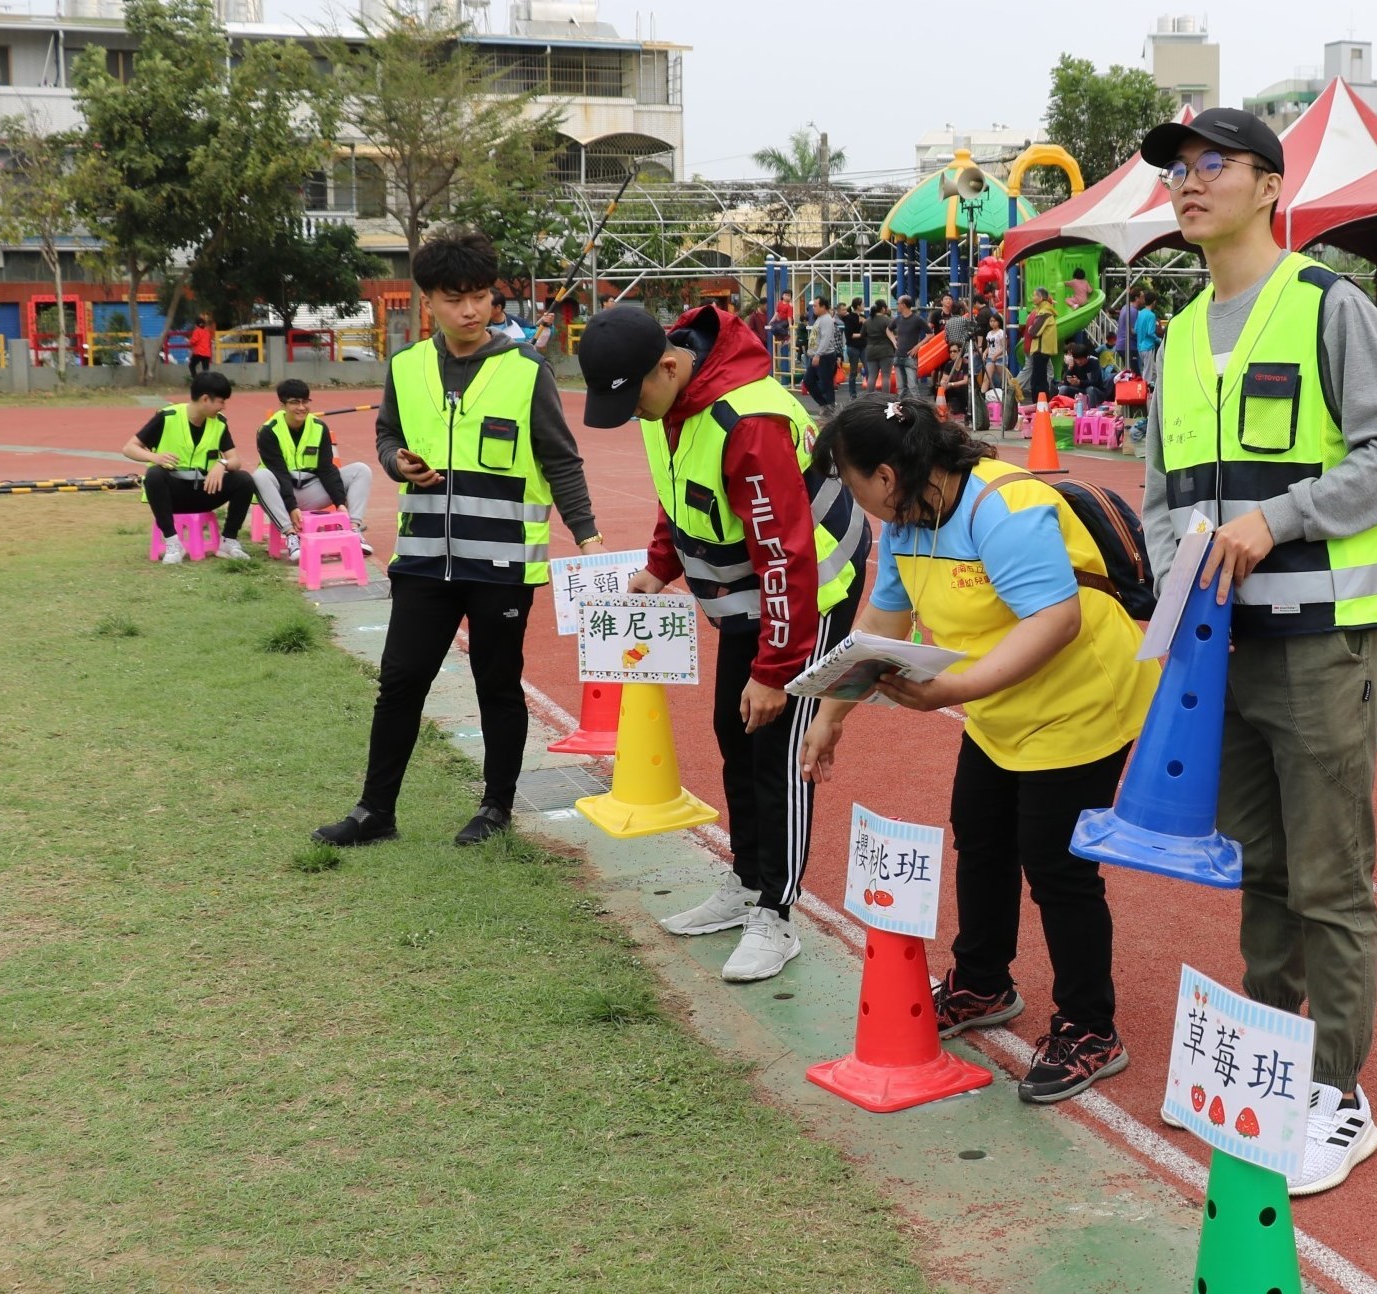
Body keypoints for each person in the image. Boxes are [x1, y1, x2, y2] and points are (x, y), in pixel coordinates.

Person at [1138, 107, 1377, 1195]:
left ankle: (1340, 1094)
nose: (1187, 182)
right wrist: (1176, 587)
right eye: (1177, 169)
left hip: (1323, 639)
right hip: (1222, 652)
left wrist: (1284, 515)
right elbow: (1164, 491)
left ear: (1271, 184)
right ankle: (1274, 1060)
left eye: (1212, 164)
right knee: (1259, 865)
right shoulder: (1175, 335)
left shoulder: (1328, 305)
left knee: (1327, 873)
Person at [799, 396, 1157, 1103]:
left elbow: (1055, 621)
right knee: (982, 835)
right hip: (1000, 705)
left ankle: (1091, 1027)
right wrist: (832, 711)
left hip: (1081, 699)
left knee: (1057, 864)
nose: (855, 498)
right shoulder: (910, 523)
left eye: (852, 479)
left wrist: (949, 691)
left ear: (888, 473)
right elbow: (883, 618)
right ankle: (983, 981)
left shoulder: (1003, 508)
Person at [576, 304, 870, 983]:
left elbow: (787, 554)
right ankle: (745, 881)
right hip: (751, 596)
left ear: (670, 366)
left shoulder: (749, 422)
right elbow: (678, 496)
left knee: (778, 752)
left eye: (635, 400)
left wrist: (774, 670)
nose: (636, 417)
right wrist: (659, 566)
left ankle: (777, 912)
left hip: (808, 591)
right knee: (731, 729)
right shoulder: (668, 406)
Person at [313, 227, 603, 850]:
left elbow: (561, 460)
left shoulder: (527, 370)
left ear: (493, 298)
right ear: (429, 302)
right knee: (400, 682)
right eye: (453, 298)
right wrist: (398, 465)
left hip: (500, 564)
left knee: (497, 685)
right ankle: (375, 812)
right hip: (421, 561)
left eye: (480, 297)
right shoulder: (407, 366)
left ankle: (496, 806)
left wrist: (589, 538)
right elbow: (387, 436)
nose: (469, 310)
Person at [122, 370, 255, 564]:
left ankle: (229, 541)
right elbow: (129, 448)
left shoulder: (219, 424)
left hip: (205, 491)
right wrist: (155, 457)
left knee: (244, 480)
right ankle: (173, 542)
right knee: (154, 475)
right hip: (173, 495)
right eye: (221, 401)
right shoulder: (167, 417)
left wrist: (222, 464)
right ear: (205, 399)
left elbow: (235, 460)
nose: (224, 407)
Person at [251, 379, 375, 563]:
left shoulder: (319, 427)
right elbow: (279, 473)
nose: (301, 407)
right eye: (294, 402)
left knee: (361, 470)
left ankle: (353, 529)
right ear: (282, 404)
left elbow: (327, 469)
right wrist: (291, 507)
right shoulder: (269, 431)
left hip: (312, 491)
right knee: (260, 476)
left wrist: (339, 501)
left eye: (305, 401)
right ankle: (291, 536)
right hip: (281, 496)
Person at [802, 296, 843, 411]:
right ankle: (824, 405)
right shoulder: (820, 318)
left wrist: (818, 354)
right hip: (817, 355)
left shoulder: (826, 319)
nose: (813, 308)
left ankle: (829, 407)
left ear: (823, 307)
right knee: (808, 381)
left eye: (815, 306)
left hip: (825, 356)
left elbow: (826, 339)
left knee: (826, 383)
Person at [1021, 287, 1058, 401]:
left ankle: (1040, 403)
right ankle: (1040, 403)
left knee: (1038, 380)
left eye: (1034, 295)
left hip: (1041, 349)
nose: (1033, 298)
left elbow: (1033, 331)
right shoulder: (1044, 311)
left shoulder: (1044, 312)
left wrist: (1032, 328)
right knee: (1039, 378)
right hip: (1041, 350)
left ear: (1041, 298)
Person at [890, 295, 929, 398]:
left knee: (912, 387)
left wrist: (917, 346)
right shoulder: (898, 319)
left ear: (903, 305)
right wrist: (894, 341)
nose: (897, 305)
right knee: (900, 387)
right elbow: (888, 330)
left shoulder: (917, 319)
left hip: (910, 357)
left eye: (898, 303)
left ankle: (918, 408)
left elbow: (930, 334)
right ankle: (901, 407)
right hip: (898, 355)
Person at [1058, 343, 1108, 409]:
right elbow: (1065, 383)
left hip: (1096, 392)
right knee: (1063, 388)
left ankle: (1091, 410)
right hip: (1080, 392)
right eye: (1076, 359)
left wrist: (1079, 382)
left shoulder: (1094, 363)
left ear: (1087, 356)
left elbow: (1095, 382)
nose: (1079, 362)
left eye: (1081, 359)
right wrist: (1069, 370)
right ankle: (1062, 407)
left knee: (1090, 389)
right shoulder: (1073, 364)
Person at [863, 299, 895, 394]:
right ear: (883, 309)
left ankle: (868, 398)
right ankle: (885, 398)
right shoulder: (887, 320)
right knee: (886, 376)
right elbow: (895, 334)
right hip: (886, 351)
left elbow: (862, 334)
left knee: (872, 376)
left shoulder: (868, 321)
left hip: (871, 351)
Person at [939, 342, 972, 418]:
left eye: (954, 351)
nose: (952, 353)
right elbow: (943, 380)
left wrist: (951, 384)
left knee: (964, 388)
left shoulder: (966, 363)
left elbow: (966, 381)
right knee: (941, 389)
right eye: (950, 352)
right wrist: (943, 384)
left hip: (965, 391)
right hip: (954, 391)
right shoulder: (949, 364)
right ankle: (944, 410)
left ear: (960, 352)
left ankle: (967, 409)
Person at [842, 298, 866, 396]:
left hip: (863, 346)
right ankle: (852, 393)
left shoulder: (864, 317)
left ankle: (869, 391)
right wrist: (862, 334)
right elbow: (850, 334)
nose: (864, 305)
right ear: (858, 306)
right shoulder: (850, 317)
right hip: (853, 346)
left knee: (868, 368)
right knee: (853, 371)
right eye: (862, 304)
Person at [1135, 290, 1160, 382]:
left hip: (1140, 346)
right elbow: (1150, 332)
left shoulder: (1140, 313)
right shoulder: (1151, 315)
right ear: (1154, 302)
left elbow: (1136, 329)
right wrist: (1159, 340)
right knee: (1147, 373)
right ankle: (1145, 392)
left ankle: (1153, 389)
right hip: (1148, 347)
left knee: (1154, 370)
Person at [1114, 286, 1141, 372]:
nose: (1144, 300)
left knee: (1130, 372)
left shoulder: (1125, 307)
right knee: (1135, 373)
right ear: (1137, 298)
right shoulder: (1133, 311)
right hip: (1129, 345)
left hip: (1121, 345)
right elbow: (1132, 331)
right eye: (1143, 298)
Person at [187, 314, 214, 379]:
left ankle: (196, 380)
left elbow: (193, 341)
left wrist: (189, 342)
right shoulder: (207, 332)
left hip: (198, 352)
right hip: (207, 353)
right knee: (206, 370)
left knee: (192, 366)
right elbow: (209, 342)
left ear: (196, 324)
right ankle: (206, 382)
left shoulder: (197, 331)